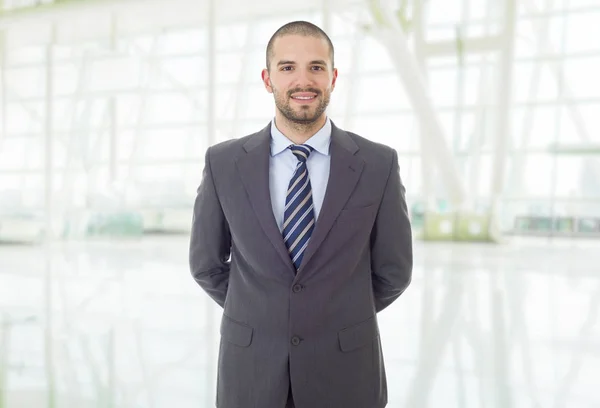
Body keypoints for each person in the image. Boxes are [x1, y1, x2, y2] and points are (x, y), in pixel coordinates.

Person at [189, 20, 412, 408]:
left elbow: (394, 271)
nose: (303, 80)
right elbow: (206, 263)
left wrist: (331, 312)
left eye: (316, 67)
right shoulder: (224, 163)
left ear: (333, 76)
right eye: (288, 67)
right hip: (252, 371)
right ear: (267, 78)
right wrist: (268, 311)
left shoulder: (378, 164)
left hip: (345, 373)